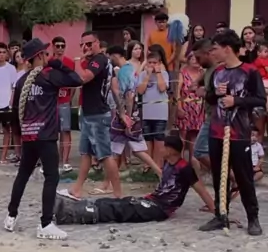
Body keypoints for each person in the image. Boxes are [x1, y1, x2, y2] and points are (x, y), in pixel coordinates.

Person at [4, 39, 82, 239]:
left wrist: (21, 134)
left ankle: (11, 215)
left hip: (29, 136)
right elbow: (76, 79)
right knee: (51, 177)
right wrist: (59, 64)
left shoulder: (21, 81)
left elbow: (15, 111)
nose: (48, 56)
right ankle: (46, 223)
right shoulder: (49, 75)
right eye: (46, 54)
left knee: (23, 175)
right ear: (39, 56)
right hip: (46, 136)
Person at [55, 134, 214, 225]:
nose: (160, 149)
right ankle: (75, 207)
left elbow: (201, 190)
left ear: (171, 150)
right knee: (115, 202)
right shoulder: (167, 163)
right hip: (151, 200)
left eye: (164, 146)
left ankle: (76, 215)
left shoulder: (184, 168)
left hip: (160, 208)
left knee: (122, 210)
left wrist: (216, 210)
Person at [200, 30, 265, 236]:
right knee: (219, 176)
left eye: (215, 49)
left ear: (227, 49)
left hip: (239, 133)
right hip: (217, 131)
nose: (212, 53)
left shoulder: (250, 71)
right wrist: (215, 94)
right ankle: (221, 215)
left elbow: (260, 100)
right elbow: (210, 98)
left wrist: (236, 100)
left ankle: (252, 217)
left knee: (244, 177)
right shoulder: (217, 72)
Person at [57, 30, 122, 200]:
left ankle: (118, 195)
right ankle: (77, 189)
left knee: (105, 155)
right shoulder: (100, 61)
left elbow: (84, 78)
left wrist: (78, 61)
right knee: (85, 153)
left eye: (88, 44)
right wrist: (122, 112)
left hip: (98, 115)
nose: (85, 47)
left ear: (97, 43)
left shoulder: (99, 60)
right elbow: (114, 88)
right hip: (89, 112)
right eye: (82, 45)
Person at [107, 46, 161, 176]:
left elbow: (129, 95)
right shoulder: (129, 69)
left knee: (115, 149)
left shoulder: (124, 71)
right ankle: (159, 172)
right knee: (132, 149)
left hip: (126, 113)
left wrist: (127, 117)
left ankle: (108, 182)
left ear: (115, 56)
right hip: (129, 113)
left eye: (110, 57)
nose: (109, 61)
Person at [136, 49, 169, 170]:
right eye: (149, 62)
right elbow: (140, 91)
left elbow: (162, 88)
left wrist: (158, 73)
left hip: (160, 113)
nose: (152, 65)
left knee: (159, 139)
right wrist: (148, 76)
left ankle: (158, 165)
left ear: (159, 63)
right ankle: (148, 165)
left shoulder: (164, 74)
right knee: (147, 139)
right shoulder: (142, 75)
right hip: (147, 112)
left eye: (154, 63)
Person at [192, 39, 219, 175]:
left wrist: (204, 93)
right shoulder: (208, 69)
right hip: (210, 116)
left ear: (208, 53)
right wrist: (197, 82)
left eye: (198, 57)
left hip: (217, 116)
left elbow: (221, 95)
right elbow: (204, 76)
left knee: (199, 151)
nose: (197, 61)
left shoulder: (219, 70)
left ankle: (231, 178)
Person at [52, 36, 75, 172]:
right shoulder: (49, 62)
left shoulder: (70, 62)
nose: (60, 48)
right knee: (52, 132)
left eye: (62, 46)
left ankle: (65, 161)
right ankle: (54, 159)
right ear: (53, 47)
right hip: (51, 102)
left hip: (64, 100)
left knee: (65, 130)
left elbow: (73, 83)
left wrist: (69, 98)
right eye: (58, 46)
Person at [177, 51, 204, 160]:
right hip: (185, 109)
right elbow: (177, 92)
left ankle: (193, 163)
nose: (195, 60)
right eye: (193, 58)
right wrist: (179, 107)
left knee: (195, 138)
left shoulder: (202, 73)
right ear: (188, 60)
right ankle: (180, 162)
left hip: (200, 111)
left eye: (197, 58)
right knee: (182, 138)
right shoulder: (182, 73)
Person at [10, 50, 26, 162]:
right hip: (13, 102)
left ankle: (25, 154)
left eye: (21, 56)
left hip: (24, 101)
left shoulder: (27, 72)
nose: (20, 58)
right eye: (17, 56)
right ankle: (17, 154)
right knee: (15, 130)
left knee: (24, 130)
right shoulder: (13, 72)